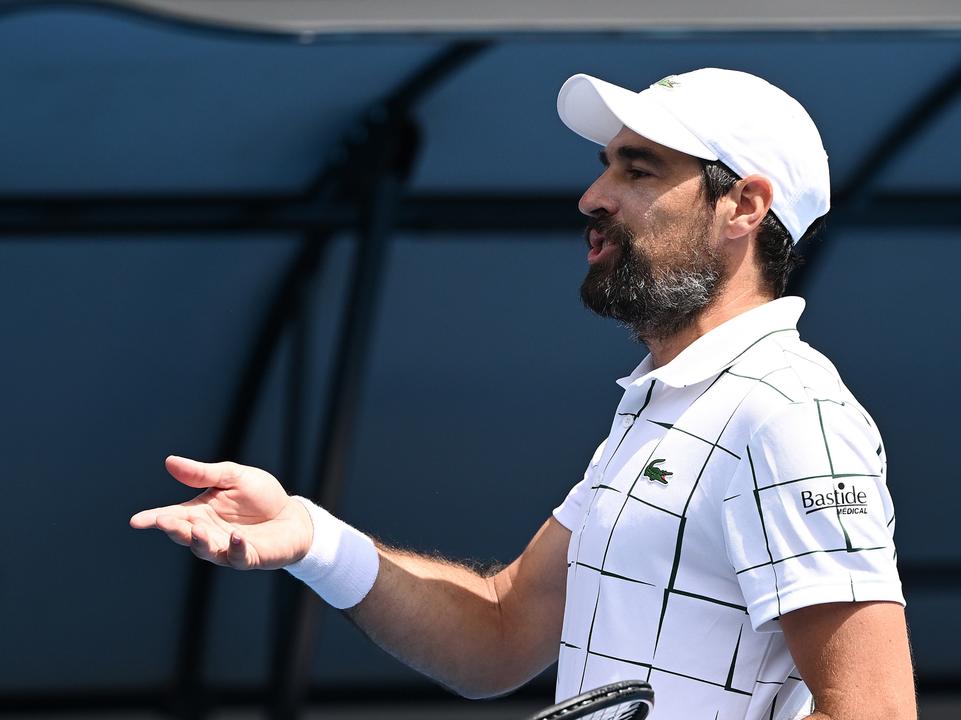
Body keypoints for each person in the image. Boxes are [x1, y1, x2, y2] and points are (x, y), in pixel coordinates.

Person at [131, 68, 916, 720]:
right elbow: (502, 633)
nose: (593, 196)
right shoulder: (672, 402)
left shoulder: (788, 409)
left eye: (637, 169)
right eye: (607, 165)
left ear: (744, 206)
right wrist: (308, 536)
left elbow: (873, 711)